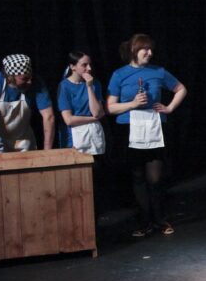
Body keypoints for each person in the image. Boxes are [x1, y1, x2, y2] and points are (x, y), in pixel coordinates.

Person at [107, 34, 188, 238]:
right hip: (130, 127)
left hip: (153, 126)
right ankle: (144, 221)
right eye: (145, 49)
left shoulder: (158, 71)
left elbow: (180, 89)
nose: (150, 53)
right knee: (137, 176)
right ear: (134, 50)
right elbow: (110, 107)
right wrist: (133, 104)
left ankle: (159, 218)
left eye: (151, 49)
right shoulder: (119, 74)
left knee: (155, 178)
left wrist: (169, 108)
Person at [0, 54, 55, 151]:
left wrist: (47, 151)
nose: (30, 82)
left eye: (30, 77)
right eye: (24, 79)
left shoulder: (36, 83)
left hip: (24, 141)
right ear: (10, 77)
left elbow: (49, 117)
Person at [57, 51, 106, 155]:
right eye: (84, 65)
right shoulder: (64, 86)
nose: (89, 68)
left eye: (90, 64)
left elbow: (97, 112)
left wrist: (89, 87)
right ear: (72, 67)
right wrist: (93, 119)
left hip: (94, 133)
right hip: (74, 136)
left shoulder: (95, 84)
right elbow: (69, 120)